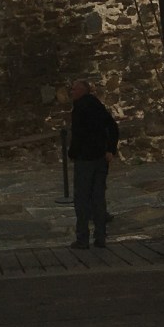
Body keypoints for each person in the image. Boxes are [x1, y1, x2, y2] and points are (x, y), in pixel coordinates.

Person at [67, 78, 118, 249]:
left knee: (82, 199)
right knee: (98, 198)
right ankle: (100, 236)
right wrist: (110, 149)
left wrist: (72, 153)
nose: (71, 92)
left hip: (85, 159)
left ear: (81, 91)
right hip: (100, 158)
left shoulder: (80, 108)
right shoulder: (97, 106)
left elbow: (79, 135)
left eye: (74, 89)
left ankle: (83, 238)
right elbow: (112, 126)